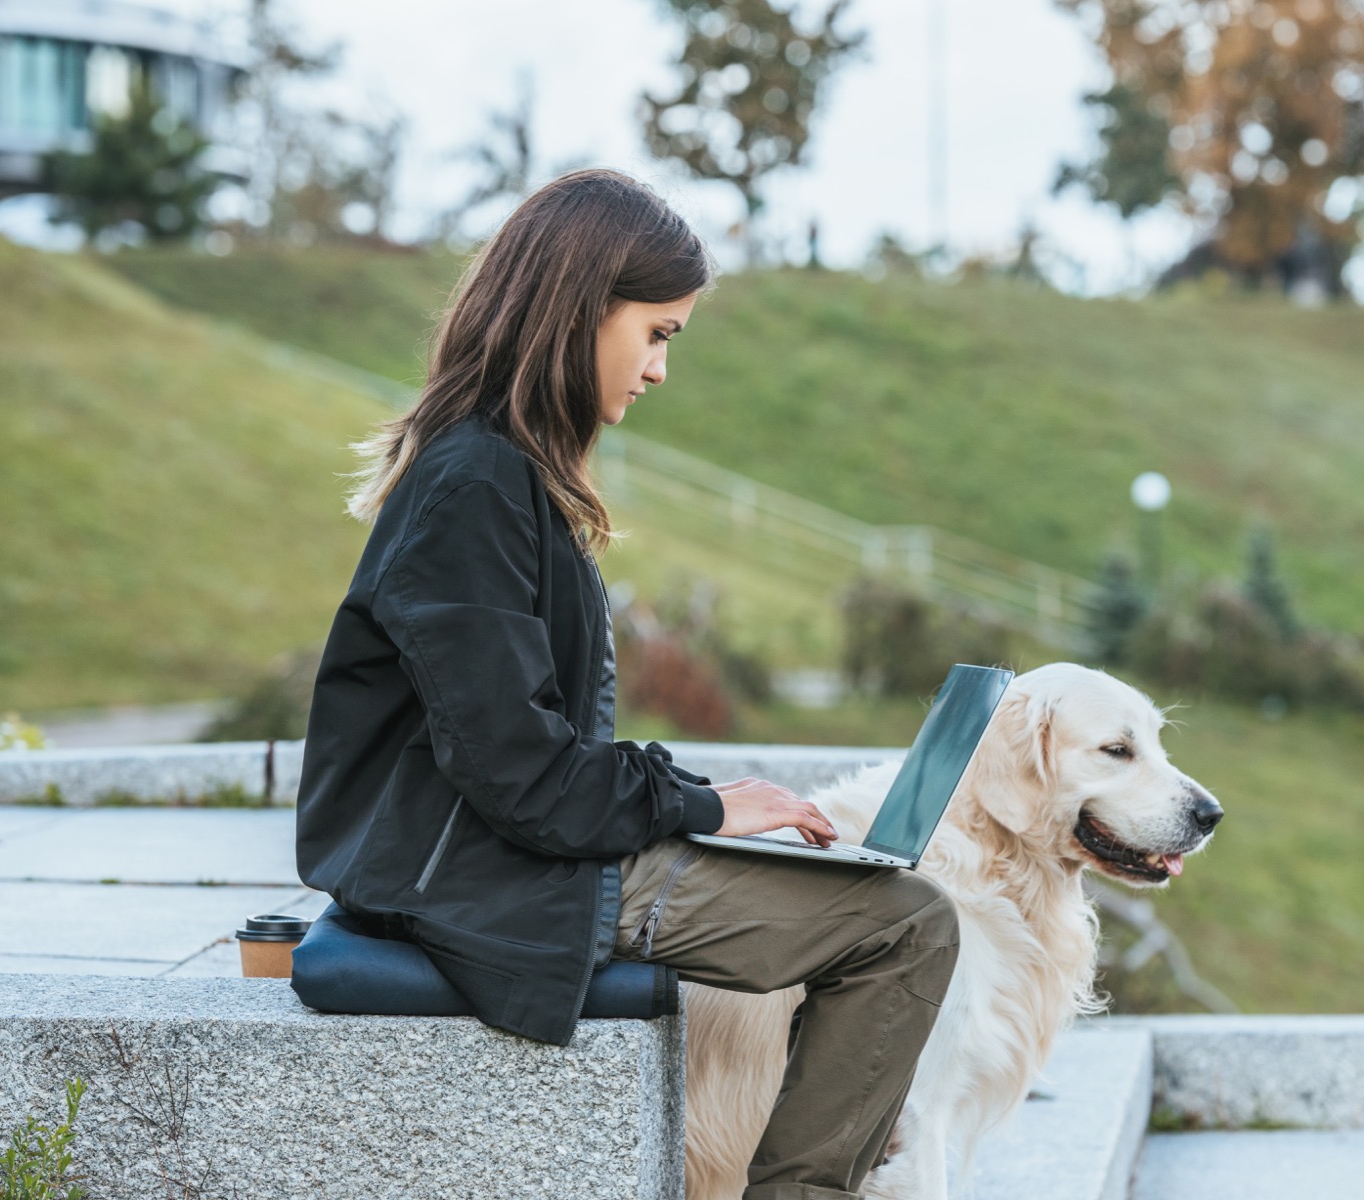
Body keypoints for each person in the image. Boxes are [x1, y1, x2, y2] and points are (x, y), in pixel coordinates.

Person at [296, 167, 960, 1200]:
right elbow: (518, 773)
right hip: (487, 870)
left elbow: (519, 744)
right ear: (576, 310)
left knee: (894, 912)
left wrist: (697, 806)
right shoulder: (475, 488)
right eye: (657, 332)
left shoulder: (498, 472)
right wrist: (695, 805)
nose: (659, 369)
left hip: (494, 849)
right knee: (904, 926)